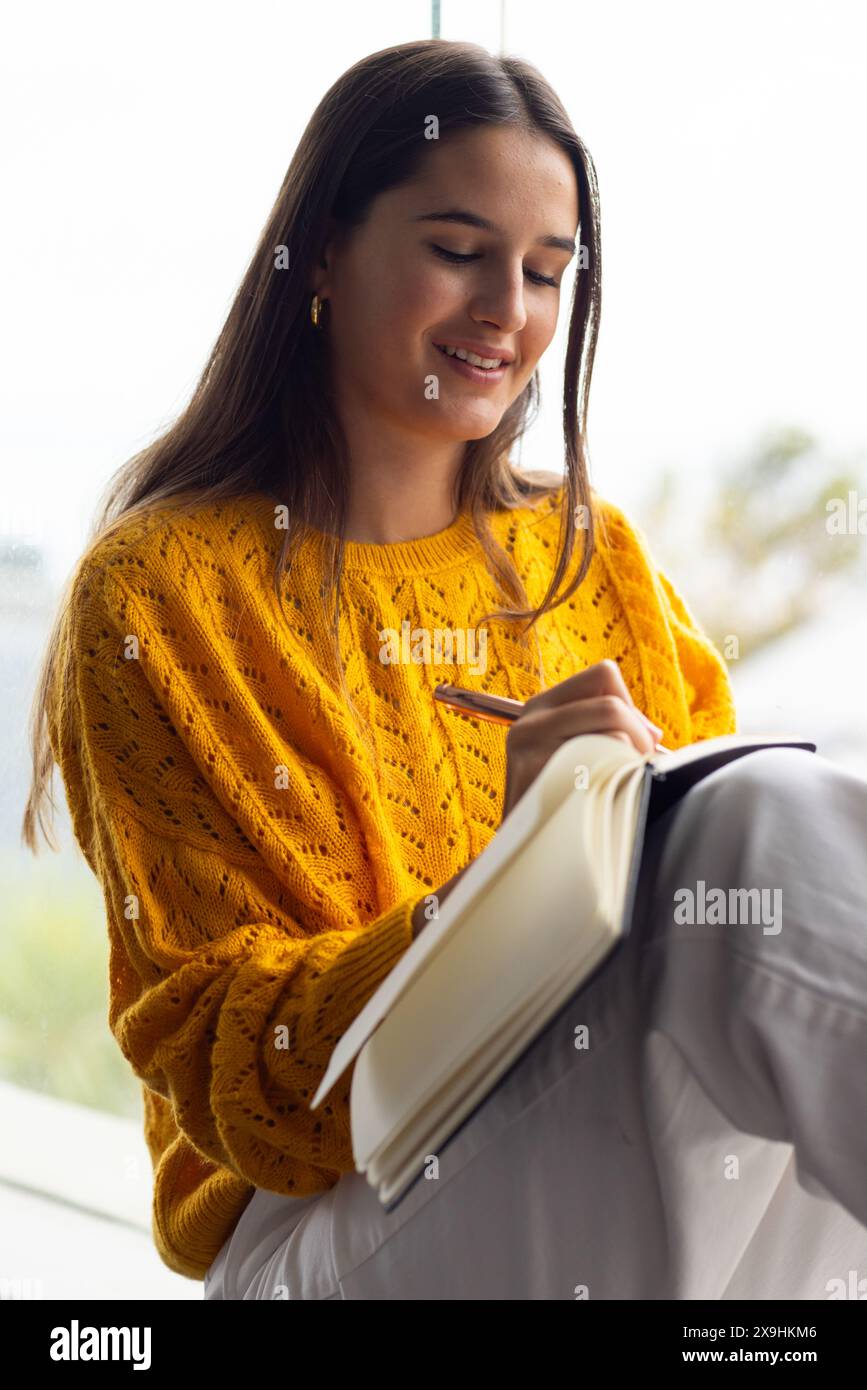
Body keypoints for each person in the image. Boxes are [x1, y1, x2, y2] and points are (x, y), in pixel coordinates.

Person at [22, 39, 867, 1300]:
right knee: (746, 831)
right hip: (318, 1215)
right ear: (318, 250)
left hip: (576, 1133)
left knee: (772, 862)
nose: (509, 313)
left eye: (546, 270)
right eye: (459, 252)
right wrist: (507, 874)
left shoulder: (596, 555)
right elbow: (245, 1085)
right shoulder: (161, 591)